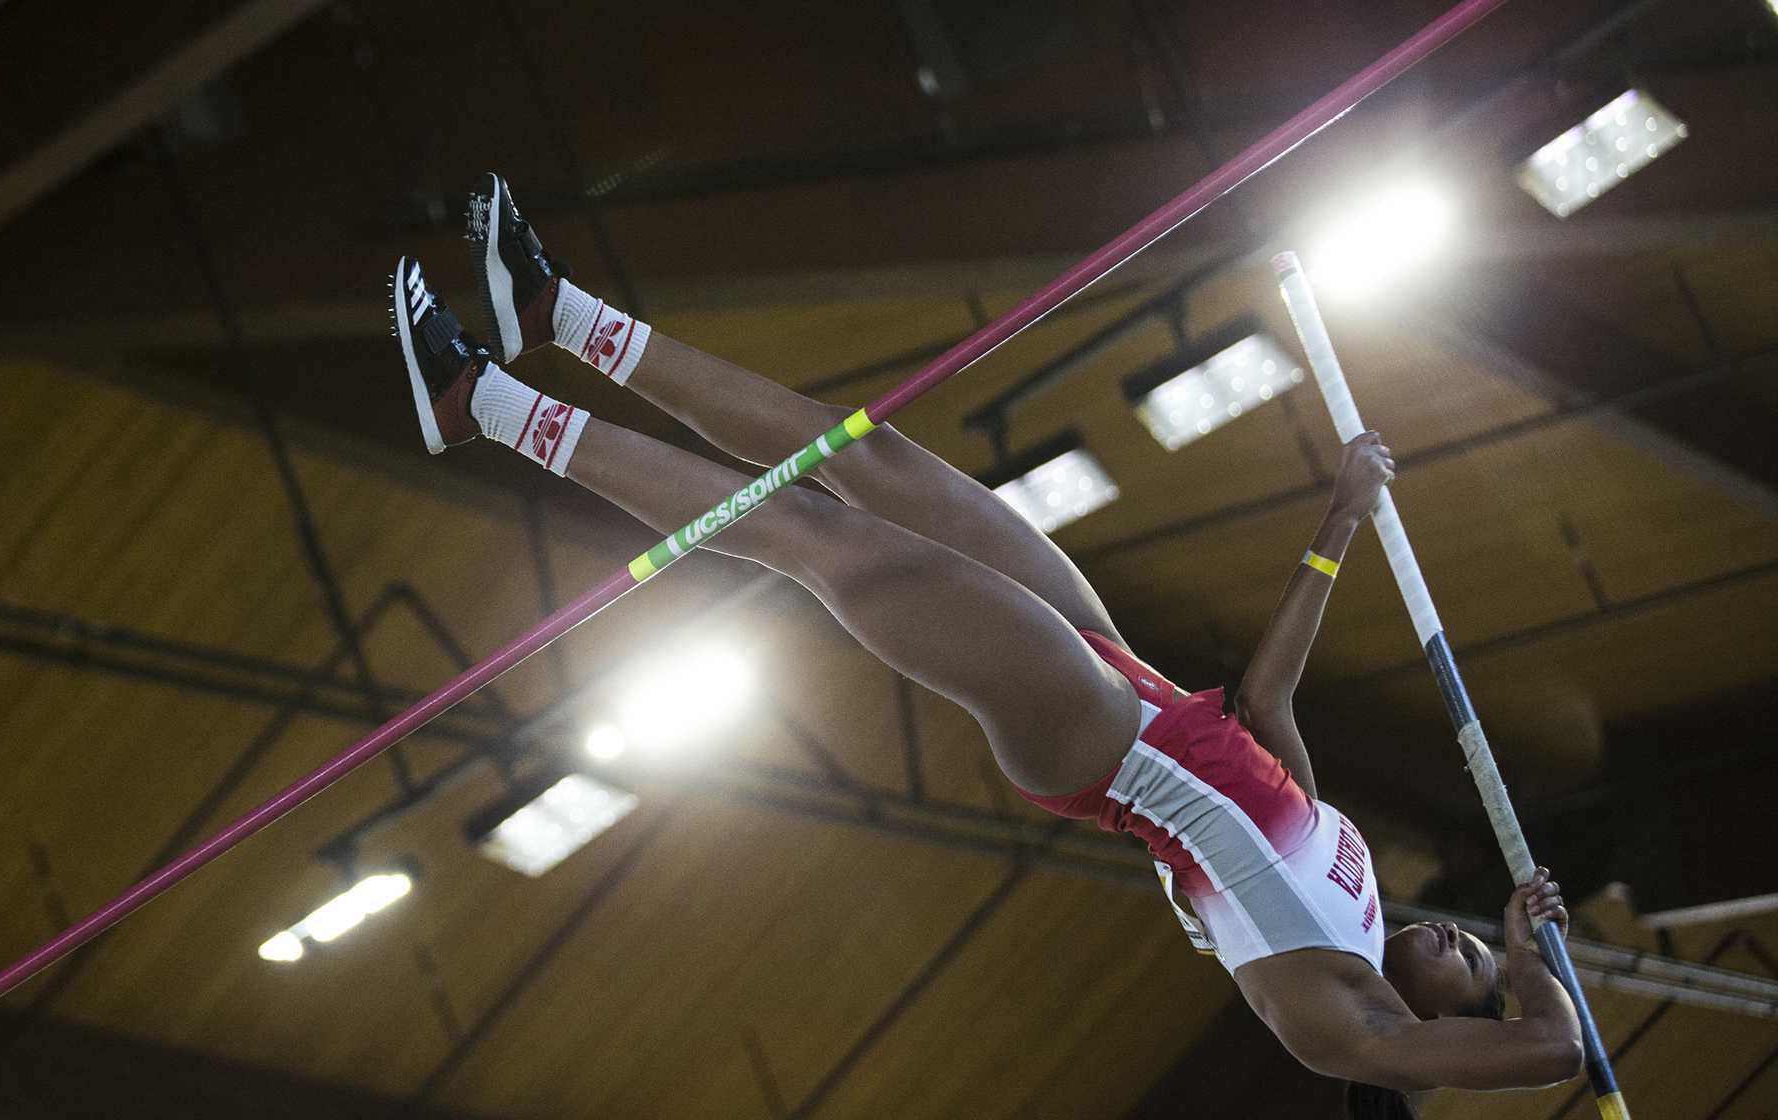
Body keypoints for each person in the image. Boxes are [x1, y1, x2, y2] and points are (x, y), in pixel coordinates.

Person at [390, 175, 1583, 1107]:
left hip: (1097, 741)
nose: (1462, 941)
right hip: (1124, 669)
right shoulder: (1363, 893)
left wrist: (1535, 960)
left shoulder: (1349, 1028)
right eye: (1482, 944)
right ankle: (555, 315)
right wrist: (1339, 519)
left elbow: (1548, 1051)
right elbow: (1268, 708)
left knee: (811, 535)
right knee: (865, 455)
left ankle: (484, 408)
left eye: (1470, 969)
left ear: (1446, 1030)